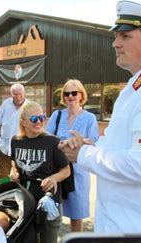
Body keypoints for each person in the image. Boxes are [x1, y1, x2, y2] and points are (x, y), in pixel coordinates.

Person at [58, 0, 141, 233]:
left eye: (126, 36)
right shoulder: (140, 87)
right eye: (117, 36)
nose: (115, 44)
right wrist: (92, 145)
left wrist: (84, 154)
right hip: (127, 225)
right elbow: (126, 148)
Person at [10, 101, 70, 242]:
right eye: (34, 119)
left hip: (47, 201)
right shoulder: (16, 141)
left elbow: (66, 170)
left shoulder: (53, 141)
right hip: (25, 201)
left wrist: (54, 178)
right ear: (23, 122)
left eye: (42, 118)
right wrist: (13, 172)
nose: (39, 122)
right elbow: (14, 162)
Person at [45, 79, 99, 232]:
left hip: (79, 172)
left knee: (77, 214)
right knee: (52, 210)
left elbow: (93, 142)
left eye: (74, 93)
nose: (70, 96)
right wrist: (61, 145)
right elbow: (47, 139)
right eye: (67, 93)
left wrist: (80, 143)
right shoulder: (57, 115)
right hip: (58, 170)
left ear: (81, 95)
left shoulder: (90, 118)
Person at [0, 83, 27, 178]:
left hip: (22, 147)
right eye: (15, 94)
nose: (18, 97)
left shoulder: (29, 106)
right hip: (4, 146)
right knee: (3, 175)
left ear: (24, 93)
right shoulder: (6, 104)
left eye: (20, 94)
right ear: (11, 95)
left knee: (20, 175)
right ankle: (2, 192)